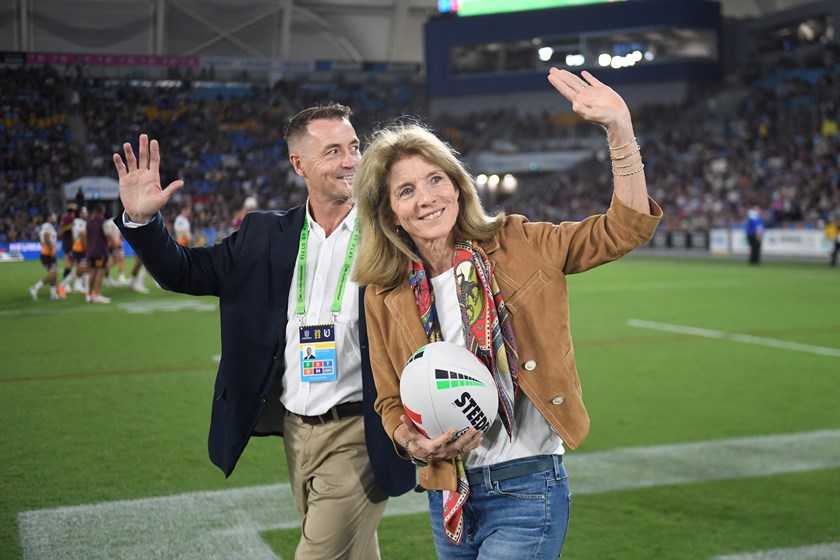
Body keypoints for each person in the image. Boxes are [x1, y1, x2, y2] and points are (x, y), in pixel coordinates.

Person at [353, 68, 662, 559]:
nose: (427, 197)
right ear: (390, 212)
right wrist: (412, 443)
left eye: (436, 179)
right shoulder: (383, 293)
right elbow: (390, 400)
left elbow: (623, 229)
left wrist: (619, 130)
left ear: (457, 186)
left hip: (528, 487)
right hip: (447, 491)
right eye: (406, 190)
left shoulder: (518, 242)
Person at [112, 103, 413, 560]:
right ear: (299, 164)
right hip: (296, 430)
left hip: (362, 432)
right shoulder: (263, 233)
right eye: (333, 151)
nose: (351, 160)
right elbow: (187, 272)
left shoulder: (391, 233)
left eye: (354, 147)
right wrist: (142, 223)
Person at [29, 212, 66, 301]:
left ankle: (53, 295)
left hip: (50, 254)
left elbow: (50, 237)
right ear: (49, 218)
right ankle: (35, 288)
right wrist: (51, 248)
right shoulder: (47, 226)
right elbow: (46, 237)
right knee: (52, 275)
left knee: (54, 275)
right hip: (47, 255)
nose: (55, 218)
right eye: (53, 217)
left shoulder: (51, 228)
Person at [85, 203, 111, 303]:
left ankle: (89, 294)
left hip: (90, 252)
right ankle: (98, 294)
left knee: (92, 272)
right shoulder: (104, 223)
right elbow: (108, 237)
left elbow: (87, 238)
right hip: (100, 252)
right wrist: (113, 245)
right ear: (103, 212)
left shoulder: (89, 223)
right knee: (100, 272)